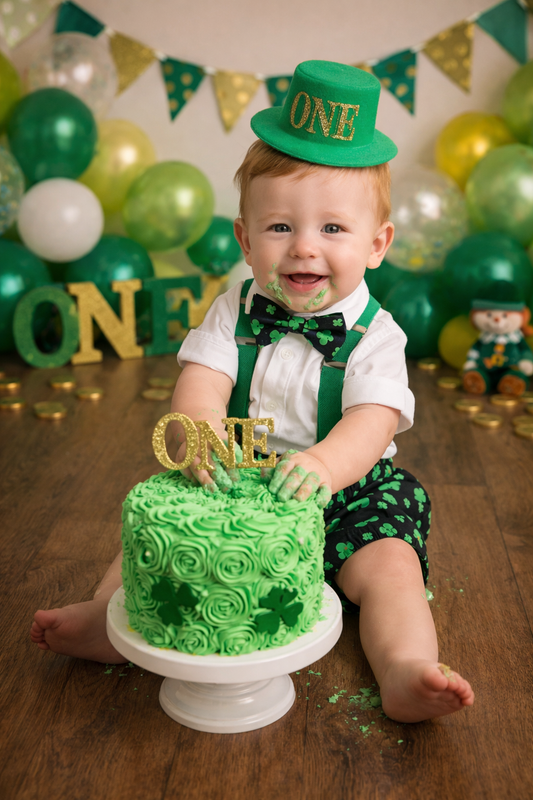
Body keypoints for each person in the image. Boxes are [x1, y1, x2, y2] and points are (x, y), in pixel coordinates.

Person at [31, 60, 474, 723]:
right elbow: (201, 384)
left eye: (332, 229)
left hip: (348, 491)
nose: (302, 249)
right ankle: (108, 622)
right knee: (157, 546)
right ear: (243, 238)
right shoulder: (232, 311)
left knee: (389, 571)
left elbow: (374, 420)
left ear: (377, 244)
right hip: (236, 483)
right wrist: (198, 435)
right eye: (278, 228)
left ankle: (403, 666)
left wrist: (324, 466)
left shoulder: (376, 335)